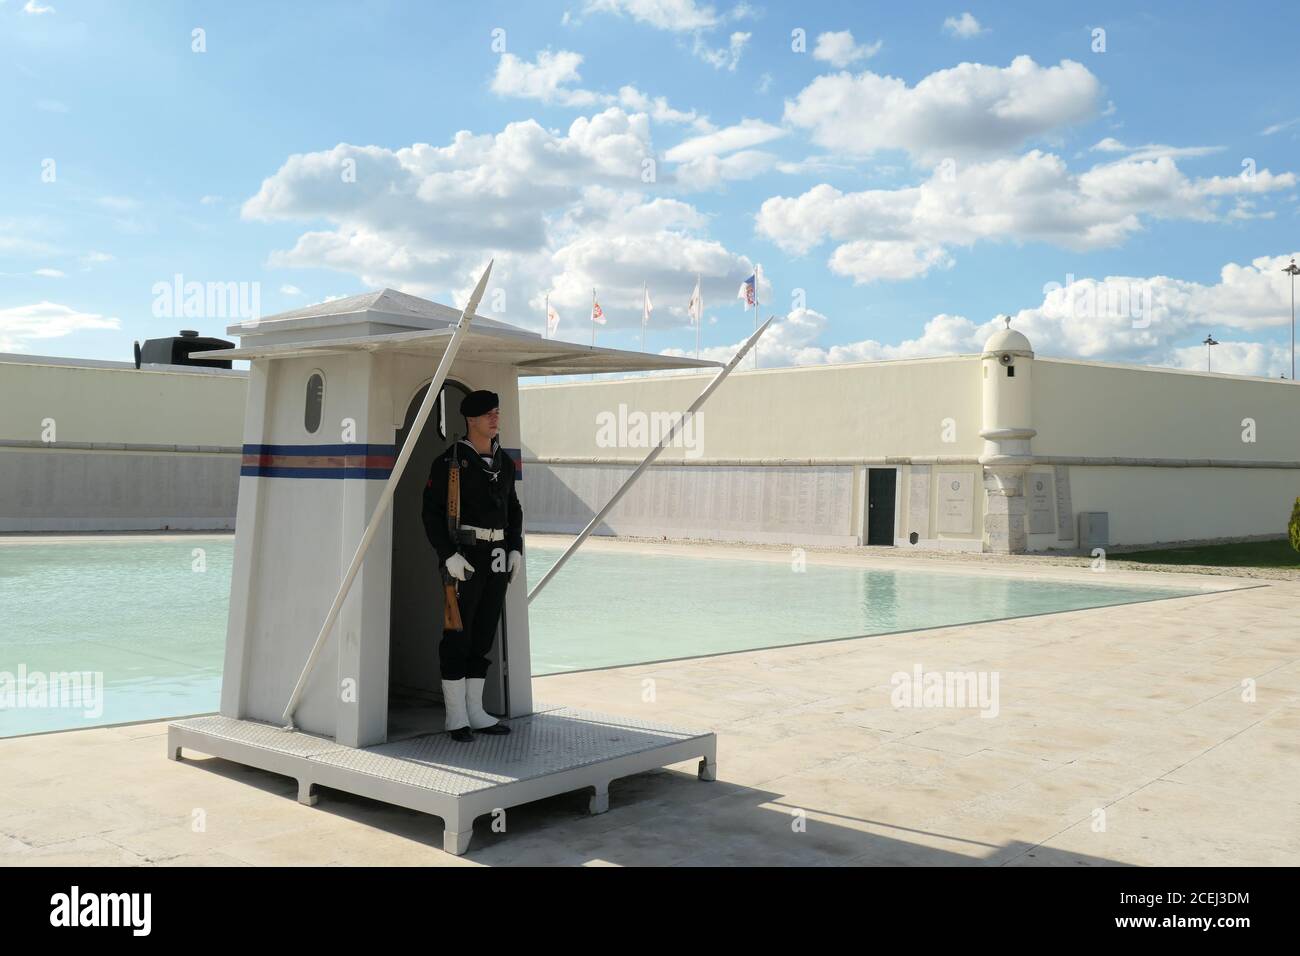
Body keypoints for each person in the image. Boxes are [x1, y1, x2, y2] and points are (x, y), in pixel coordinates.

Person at [422, 389, 523, 742]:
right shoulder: (450, 461)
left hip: (496, 554)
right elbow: (432, 513)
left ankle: (476, 711)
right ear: (471, 420)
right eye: (488, 414)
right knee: (457, 634)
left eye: (497, 412)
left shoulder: (504, 462)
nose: (496, 419)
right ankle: (456, 716)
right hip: (465, 555)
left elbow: (514, 509)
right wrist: (447, 554)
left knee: (483, 634)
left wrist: (515, 548)